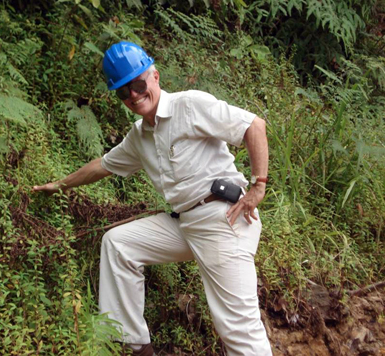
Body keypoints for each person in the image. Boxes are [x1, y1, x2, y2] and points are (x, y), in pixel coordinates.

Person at [33, 41, 272, 356]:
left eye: (137, 84)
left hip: (221, 220)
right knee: (119, 244)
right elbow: (102, 166)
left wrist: (258, 186)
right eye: (123, 91)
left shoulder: (189, 105)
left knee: (237, 328)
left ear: (154, 76)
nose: (133, 95)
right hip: (185, 224)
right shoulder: (138, 136)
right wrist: (59, 184)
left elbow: (253, 125)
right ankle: (138, 347)